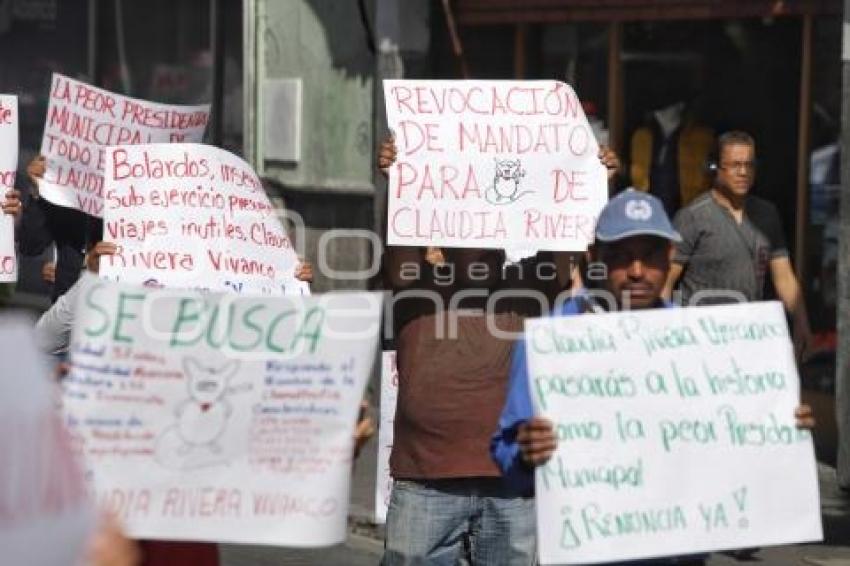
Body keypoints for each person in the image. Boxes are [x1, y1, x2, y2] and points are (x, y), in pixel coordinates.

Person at [491, 189, 816, 565]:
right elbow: (506, 456)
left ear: (669, 258)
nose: (637, 270)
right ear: (594, 257)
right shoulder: (550, 341)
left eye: (650, 255)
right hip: (586, 548)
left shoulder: (706, 345)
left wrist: (781, 432)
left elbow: (736, 444)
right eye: (621, 256)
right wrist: (526, 454)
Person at [377, 137, 620, 565]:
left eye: (494, 230)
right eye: (474, 227)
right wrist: (399, 179)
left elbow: (564, 237)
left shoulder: (529, 285)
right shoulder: (416, 284)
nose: (487, 238)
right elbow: (401, 243)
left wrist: (591, 180)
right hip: (426, 480)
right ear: (446, 243)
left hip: (511, 483)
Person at [663, 131, 813, 360]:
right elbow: (667, 279)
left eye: (748, 165)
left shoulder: (767, 215)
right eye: (734, 165)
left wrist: (802, 323)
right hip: (699, 341)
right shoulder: (693, 217)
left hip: (747, 338)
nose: (743, 172)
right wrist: (662, 331)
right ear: (715, 168)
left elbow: (783, 276)